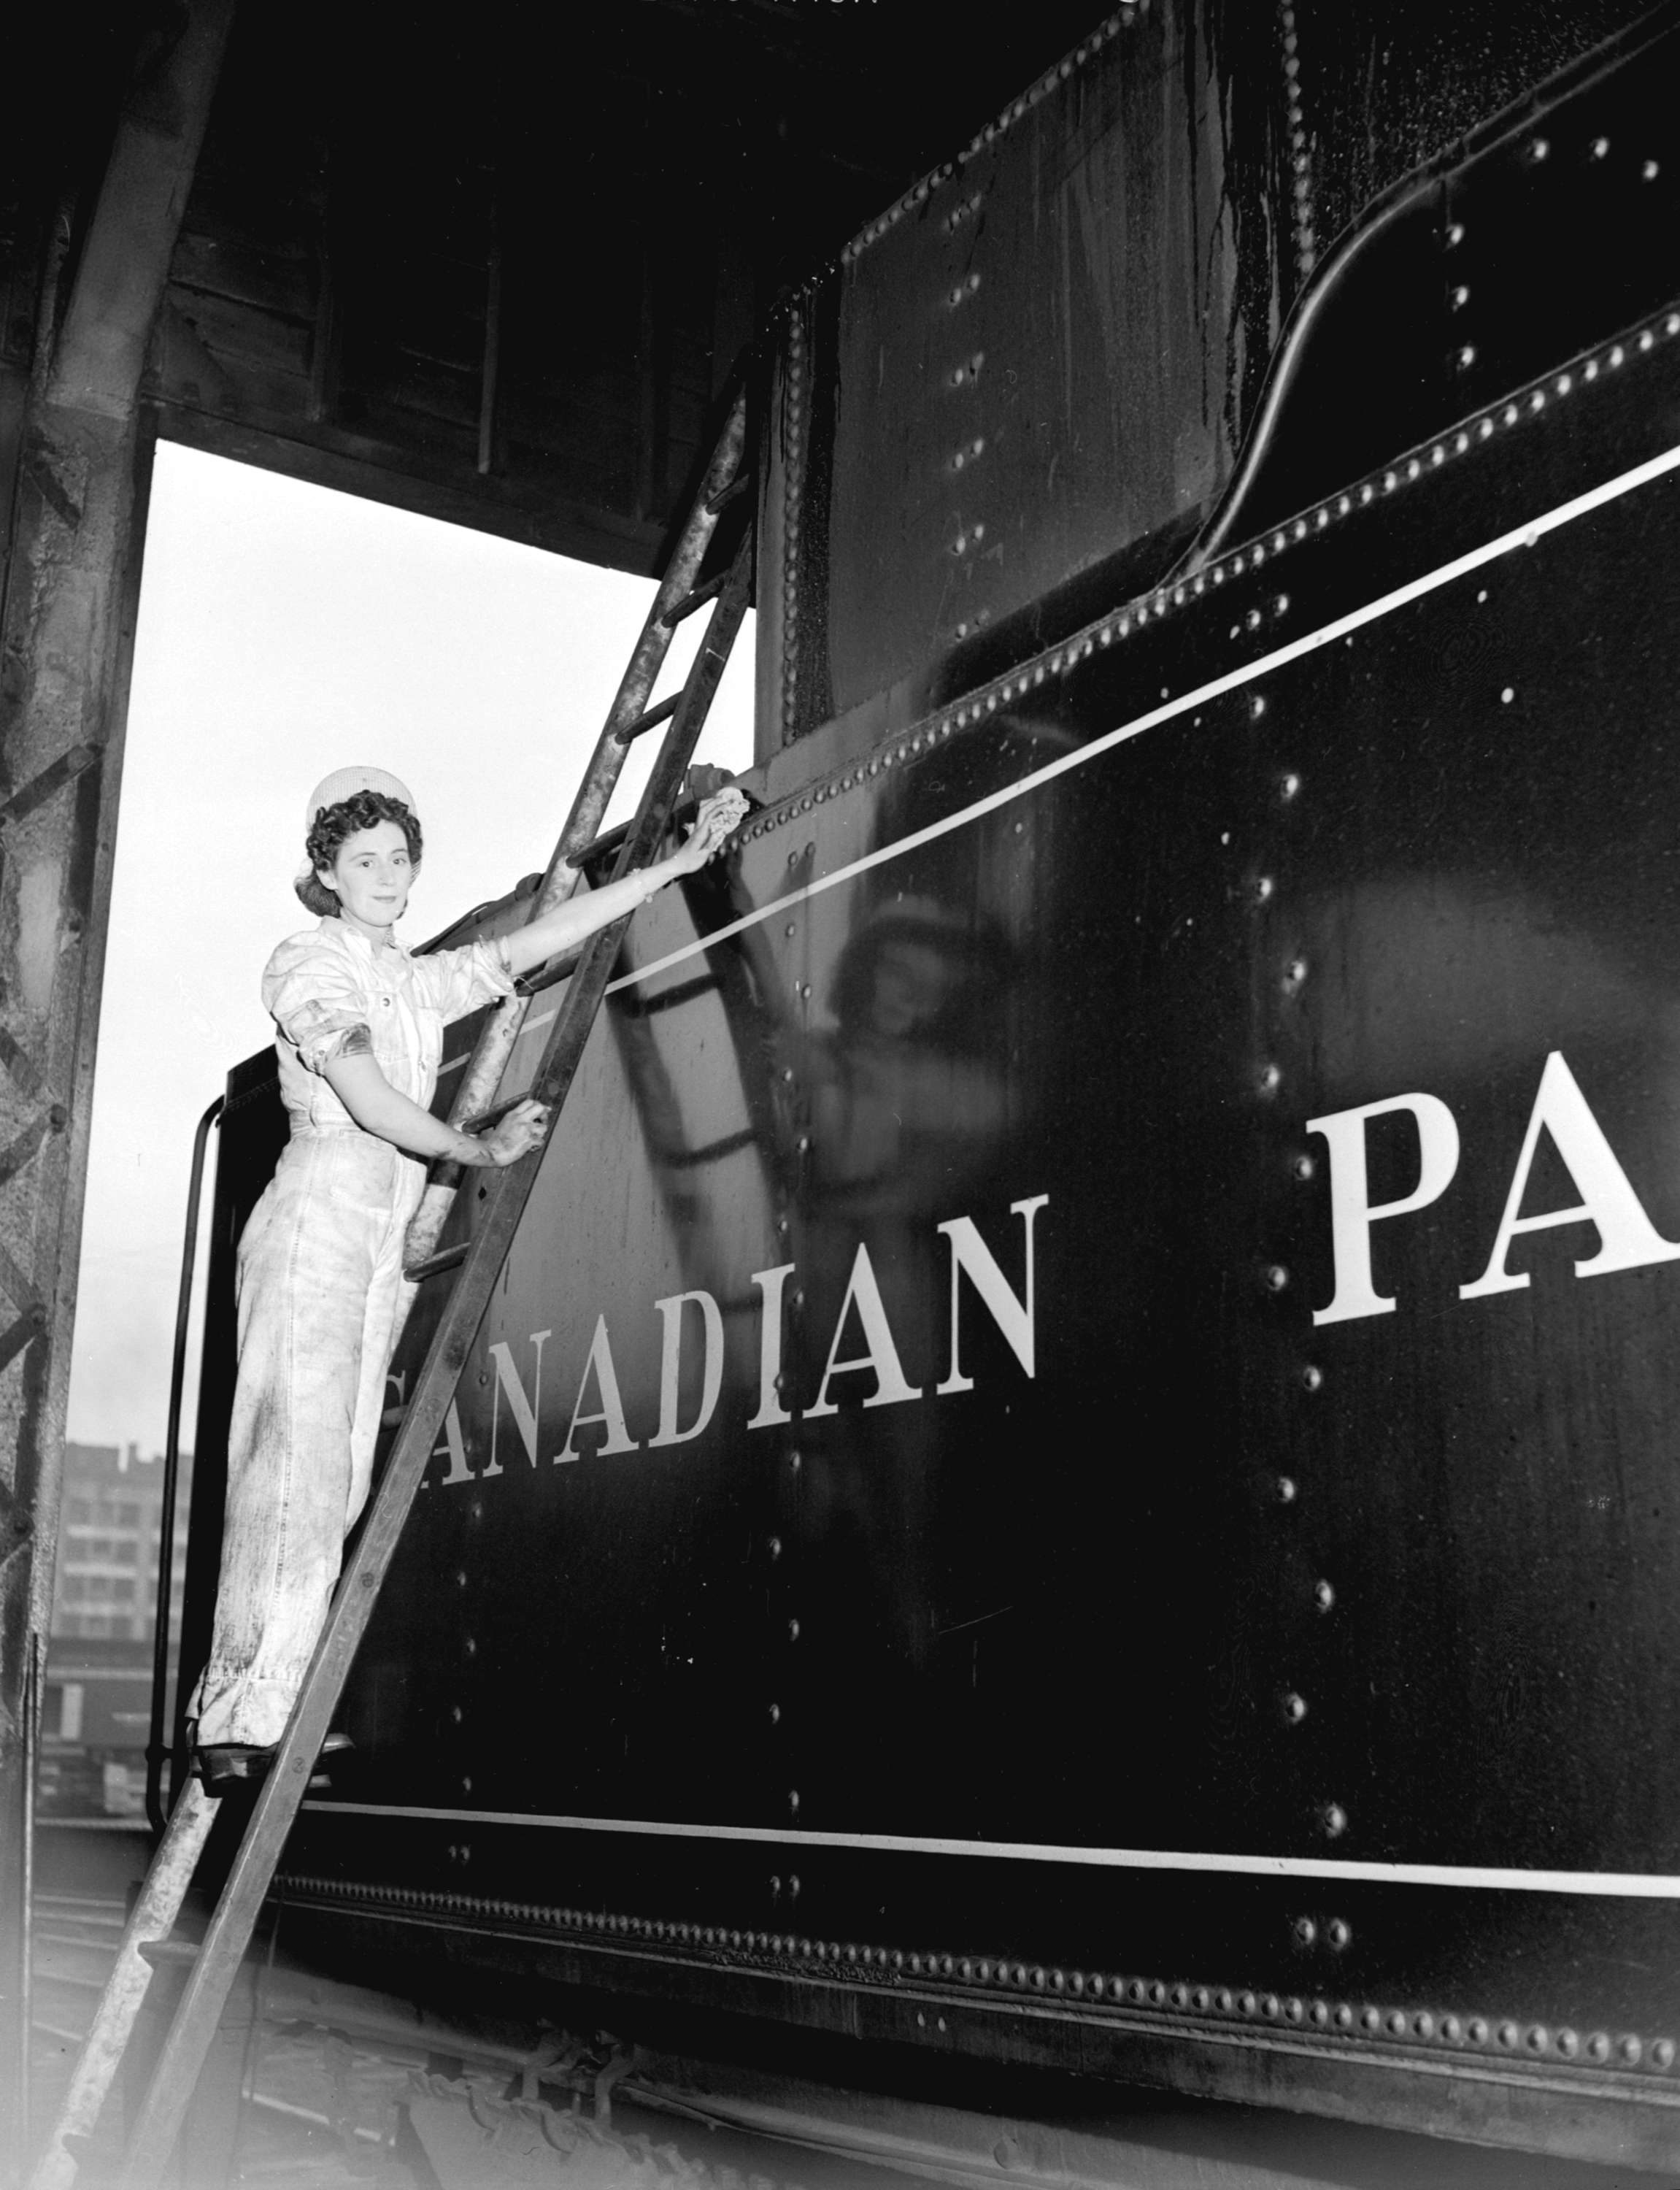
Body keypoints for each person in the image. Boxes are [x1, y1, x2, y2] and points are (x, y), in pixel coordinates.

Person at [190, 764, 749, 1793]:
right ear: (325, 871)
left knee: (344, 1471)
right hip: (321, 1209)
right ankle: (235, 1721)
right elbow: (361, 1096)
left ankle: (275, 1713)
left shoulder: (408, 978)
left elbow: (522, 950)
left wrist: (667, 868)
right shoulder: (307, 963)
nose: (388, 876)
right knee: (294, 1464)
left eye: (399, 856)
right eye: (364, 860)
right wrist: (474, 1146)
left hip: (383, 1222)